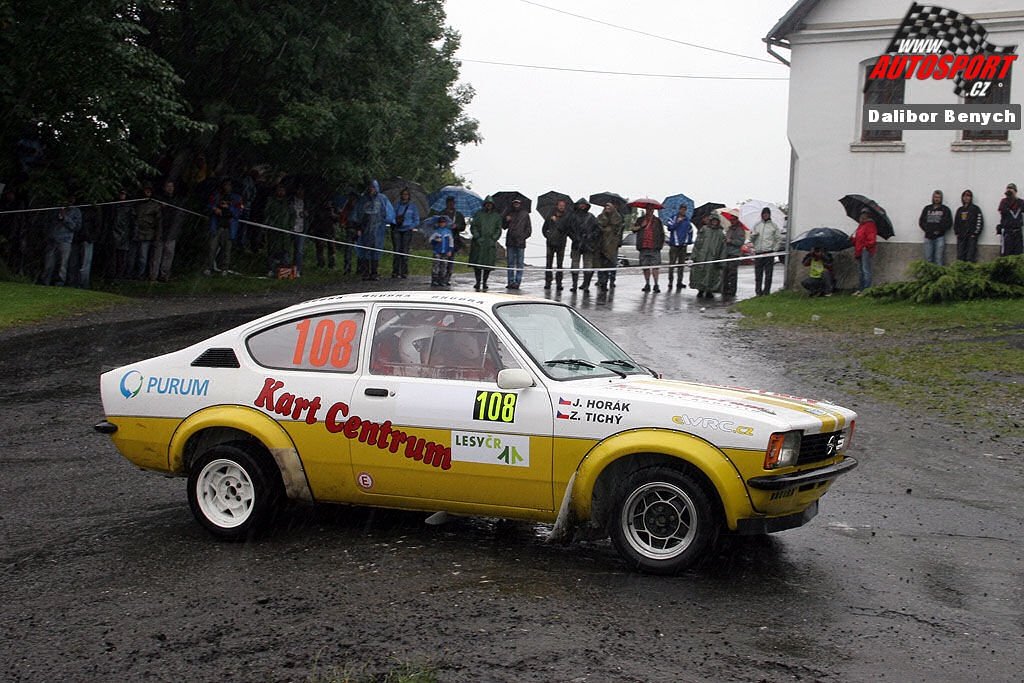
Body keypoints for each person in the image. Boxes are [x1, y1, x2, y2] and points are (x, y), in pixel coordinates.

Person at [38, 192, 81, 286]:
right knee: (48, 263)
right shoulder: (55, 209)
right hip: (52, 239)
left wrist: (65, 218)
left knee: (62, 264)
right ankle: (45, 282)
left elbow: (76, 227)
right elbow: (48, 222)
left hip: (65, 241)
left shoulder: (76, 211)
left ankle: (59, 283)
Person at [353, 180, 392, 280]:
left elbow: (388, 213)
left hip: (378, 229)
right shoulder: (363, 200)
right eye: (370, 187)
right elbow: (358, 214)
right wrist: (358, 227)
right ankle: (366, 272)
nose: (371, 189)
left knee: (376, 249)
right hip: (365, 229)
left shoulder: (382, 199)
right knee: (365, 249)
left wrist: (386, 220)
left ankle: (374, 272)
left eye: (373, 187)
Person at [205, 179, 243, 276]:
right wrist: (214, 209)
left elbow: (239, 212)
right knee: (212, 248)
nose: (227, 187)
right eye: (225, 185)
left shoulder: (237, 198)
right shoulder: (216, 196)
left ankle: (224, 268)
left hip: (229, 227)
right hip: (216, 225)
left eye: (229, 185)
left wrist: (228, 208)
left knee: (226, 249)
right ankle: (209, 267)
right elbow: (208, 206)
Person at [151, 180, 185, 282]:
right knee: (157, 256)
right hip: (161, 231)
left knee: (168, 255)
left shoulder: (176, 200)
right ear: (164, 188)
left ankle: (164, 275)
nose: (170, 188)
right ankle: (153, 275)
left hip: (171, 232)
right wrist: (161, 207)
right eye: (168, 186)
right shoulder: (160, 199)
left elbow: (178, 216)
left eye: (171, 186)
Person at [689, 214, 727, 299]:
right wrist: (694, 256)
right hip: (702, 257)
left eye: (716, 221)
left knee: (712, 275)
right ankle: (700, 290)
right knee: (700, 274)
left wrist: (722, 260)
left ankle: (709, 291)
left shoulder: (720, 233)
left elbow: (723, 248)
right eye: (713, 220)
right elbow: (697, 243)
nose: (714, 222)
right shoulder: (704, 229)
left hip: (714, 257)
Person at [563, 198, 597, 291]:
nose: (582, 206)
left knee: (588, 265)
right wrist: (575, 238)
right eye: (580, 204)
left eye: (584, 204)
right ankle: (574, 285)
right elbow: (568, 229)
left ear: (587, 206)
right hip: (576, 244)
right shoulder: (572, 217)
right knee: (575, 265)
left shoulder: (591, 217)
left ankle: (586, 285)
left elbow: (597, 229)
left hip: (588, 245)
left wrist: (590, 236)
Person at [470, 196, 502, 291]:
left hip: (489, 243)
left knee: (487, 265)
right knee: (477, 264)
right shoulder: (478, 214)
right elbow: (473, 226)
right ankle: (477, 282)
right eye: (487, 203)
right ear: (484, 204)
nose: (488, 205)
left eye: (490, 204)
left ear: (492, 205)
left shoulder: (496, 216)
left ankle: (484, 282)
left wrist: (494, 239)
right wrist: (477, 236)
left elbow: (498, 229)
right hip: (478, 243)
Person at [263, 184, 295, 276]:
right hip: (273, 231)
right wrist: (271, 225)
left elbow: (293, 215)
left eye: (282, 190)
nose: (281, 192)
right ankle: (271, 269)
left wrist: (290, 226)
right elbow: (267, 214)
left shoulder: (288, 203)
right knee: (272, 251)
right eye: (279, 190)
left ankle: (284, 272)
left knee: (285, 252)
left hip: (285, 232)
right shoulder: (271, 201)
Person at [434, 195, 467, 284]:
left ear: (454, 203)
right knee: (439, 260)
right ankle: (437, 278)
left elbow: (463, 227)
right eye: (449, 202)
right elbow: (435, 225)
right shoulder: (441, 213)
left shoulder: (458, 214)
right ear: (446, 203)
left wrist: (456, 226)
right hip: (442, 240)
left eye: (452, 202)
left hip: (454, 240)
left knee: (450, 260)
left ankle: (447, 278)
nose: (450, 204)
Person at [133, 182, 162, 279]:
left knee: (143, 256)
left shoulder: (155, 205)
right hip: (136, 233)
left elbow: (158, 222)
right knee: (134, 256)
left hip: (147, 234)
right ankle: (133, 273)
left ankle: (141, 275)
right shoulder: (138, 204)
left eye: (149, 191)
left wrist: (157, 235)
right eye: (146, 190)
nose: (147, 192)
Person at [750, 207, 781, 296]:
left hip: (769, 252)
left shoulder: (774, 226)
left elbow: (779, 239)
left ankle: (766, 291)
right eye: (764, 213)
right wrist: (754, 236)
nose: (765, 215)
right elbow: (751, 239)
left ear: (769, 214)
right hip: (759, 252)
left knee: (768, 274)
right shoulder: (757, 225)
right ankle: (758, 292)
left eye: (767, 213)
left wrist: (774, 249)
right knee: (758, 274)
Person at [632, 207, 665, 292]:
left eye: (651, 209)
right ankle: (647, 284)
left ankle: (656, 284)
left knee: (655, 267)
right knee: (645, 266)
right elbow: (633, 229)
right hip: (643, 247)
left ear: (653, 210)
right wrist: (641, 226)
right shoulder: (640, 219)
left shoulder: (658, 221)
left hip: (654, 247)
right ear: (646, 210)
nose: (650, 211)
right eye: (648, 209)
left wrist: (660, 245)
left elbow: (662, 234)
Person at [390, 188, 420, 278]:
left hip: (407, 231)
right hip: (397, 230)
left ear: (409, 196)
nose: (404, 196)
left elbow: (416, 220)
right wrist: (395, 222)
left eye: (406, 194)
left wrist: (411, 226)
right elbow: (391, 216)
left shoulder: (413, 207)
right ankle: (395, 271)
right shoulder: (396, 206)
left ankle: (404, 272)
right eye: (403, 194)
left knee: (405, 251)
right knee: (397, 251)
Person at [504, 197, 531, 289]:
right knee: (510, 263)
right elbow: (504, 226)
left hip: (520, 243)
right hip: (510, 241)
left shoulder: (525, 214)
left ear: (520, 204)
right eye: (515, 203)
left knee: (520, 263)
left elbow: (529, 230)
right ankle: (510, 282)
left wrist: (522, 237)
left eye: (518, 203)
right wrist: (506, 220)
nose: (516, 204)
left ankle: (517, 282)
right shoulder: (509, 213)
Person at [918, 190, 951, 265]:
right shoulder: (927, 208)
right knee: (928, 260)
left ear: (941, 199)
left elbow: (948, 223)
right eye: (935, 197)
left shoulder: (945, 209)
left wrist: (939, 231)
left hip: (940, 238)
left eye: (939, 197)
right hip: (928, 237)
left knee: (939, 260)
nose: (937, 199)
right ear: (932, 197)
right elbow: (921, 221)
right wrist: (928, 230)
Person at [664, 204, 693, 290]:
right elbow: (669, 227)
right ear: (679, 209)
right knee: (672, 264)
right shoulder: (673, 218)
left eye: (685, 209)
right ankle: (670, 281)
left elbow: (690, 231)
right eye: (682, 209)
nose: (683, 211)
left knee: (681, 265)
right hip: (674, 245)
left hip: (683, 245)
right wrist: (677, 222)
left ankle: (679, 282)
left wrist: (689, 241)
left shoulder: (687, 220)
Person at [596, 202, 623, 292]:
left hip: (612, 245)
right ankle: (601, 281)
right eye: (606, 208)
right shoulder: (601, 217)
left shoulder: (617, 218)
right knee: (601, 264)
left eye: (609, 208)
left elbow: (618, 230)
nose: (607, 210)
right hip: (601, 244)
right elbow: (598, 227)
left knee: (610, 263)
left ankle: (609, 281)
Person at [107, 189, 134, 280]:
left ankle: (120, 276)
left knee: (122, 258)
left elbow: (133, 222)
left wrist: (132, 234)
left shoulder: (129, 207)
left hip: (125, 235)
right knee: (113, 257)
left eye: (124, 194)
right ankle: (112, 275)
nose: (122, 195)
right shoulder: (113, 205)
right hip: (113, 234)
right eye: (121, 194)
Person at [542, 199, 568, 290]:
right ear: (557, 206)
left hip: (561, 243)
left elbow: (566, 229)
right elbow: (544, 228)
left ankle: (559, 283)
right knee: (548, 264)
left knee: (559, 265)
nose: (561, 207)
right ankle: (548, 282)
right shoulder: (550, 216)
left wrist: (556, 221)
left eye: (563, 205)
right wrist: (548, 236)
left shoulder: (566, 217)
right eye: (560, 205)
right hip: (550, 243)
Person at [953, 189, 984, 263]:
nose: (966, 198)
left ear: (971, 197)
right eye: (965, 196)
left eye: (968, 196)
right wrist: (957, 233)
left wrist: (975, 234)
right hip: (961, 237)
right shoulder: (960, 210)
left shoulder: (975, 209)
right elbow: (956, 222)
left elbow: (979, 222)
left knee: (970, 257)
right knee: (960, 256)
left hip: (971, 237)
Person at [851, 209, 878, 295]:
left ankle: (866, 290)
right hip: (858, 250)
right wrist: (852, 239)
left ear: (868, 216)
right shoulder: (860, 226)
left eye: (865, 214)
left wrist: (865, 246)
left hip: (865, 250)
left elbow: (872, 240)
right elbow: (858, 239)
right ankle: (861, 289)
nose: (862, 216)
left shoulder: (870, 225)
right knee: (860, 271)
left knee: (866, 270)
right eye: (862, 214)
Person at [310, 197, 339, 270]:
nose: (328, 204)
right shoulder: (319, 208)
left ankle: (332, 264)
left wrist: (333, 214)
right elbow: (316, 219)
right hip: (320, 230)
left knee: (332, 248)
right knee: (320, 248)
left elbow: (338, 219)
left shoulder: (334, 208)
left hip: (331, 230)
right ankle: (320, 264)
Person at [721, 214, 746, 297]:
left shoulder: (740, 230)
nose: (732, 221)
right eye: (731, 219)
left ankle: (732, 290)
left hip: (734, 254)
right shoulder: (729, 229)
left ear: (737, 220)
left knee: (732, 273)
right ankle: (725, 289)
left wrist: (731, 241)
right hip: (727, 253)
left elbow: (740, 242)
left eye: (733, 219)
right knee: (725, 273)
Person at [996, 182, 1023, 256]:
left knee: (1018, 252)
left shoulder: (1020, 202)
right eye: (1008, 189)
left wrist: (1015, 198)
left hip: (1017, 231)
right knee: (1006, 252)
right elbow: (1002, 210)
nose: (1009, 191)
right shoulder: (1004, 201)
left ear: (1015, 191)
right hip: (1007, 231)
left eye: (1011, 189)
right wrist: (1008, 198)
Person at [429, 215, 454, 287]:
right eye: (440, 222)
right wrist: (436, 240)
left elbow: (451, 242)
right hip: (437, 251)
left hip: (445, 252)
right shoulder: (436, 231)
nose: (442, 224)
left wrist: (450, 250)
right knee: (436, 266)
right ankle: (434, 280)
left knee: (444, 266)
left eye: (443, 222)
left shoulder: (448, 232)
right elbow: (430, 240)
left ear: (445, 223)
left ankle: (442, 280)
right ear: (438, 223)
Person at [290, 185, 308, 277]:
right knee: (286, 249)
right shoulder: (290, 201)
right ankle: (284, 269)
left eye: (302, 190)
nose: (300, 192)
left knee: (299, 251)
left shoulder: (307, 202)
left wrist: (307, 214)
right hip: (290, 228)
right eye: (298, 190)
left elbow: (310, 215)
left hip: (301, 229)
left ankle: (297, 270)